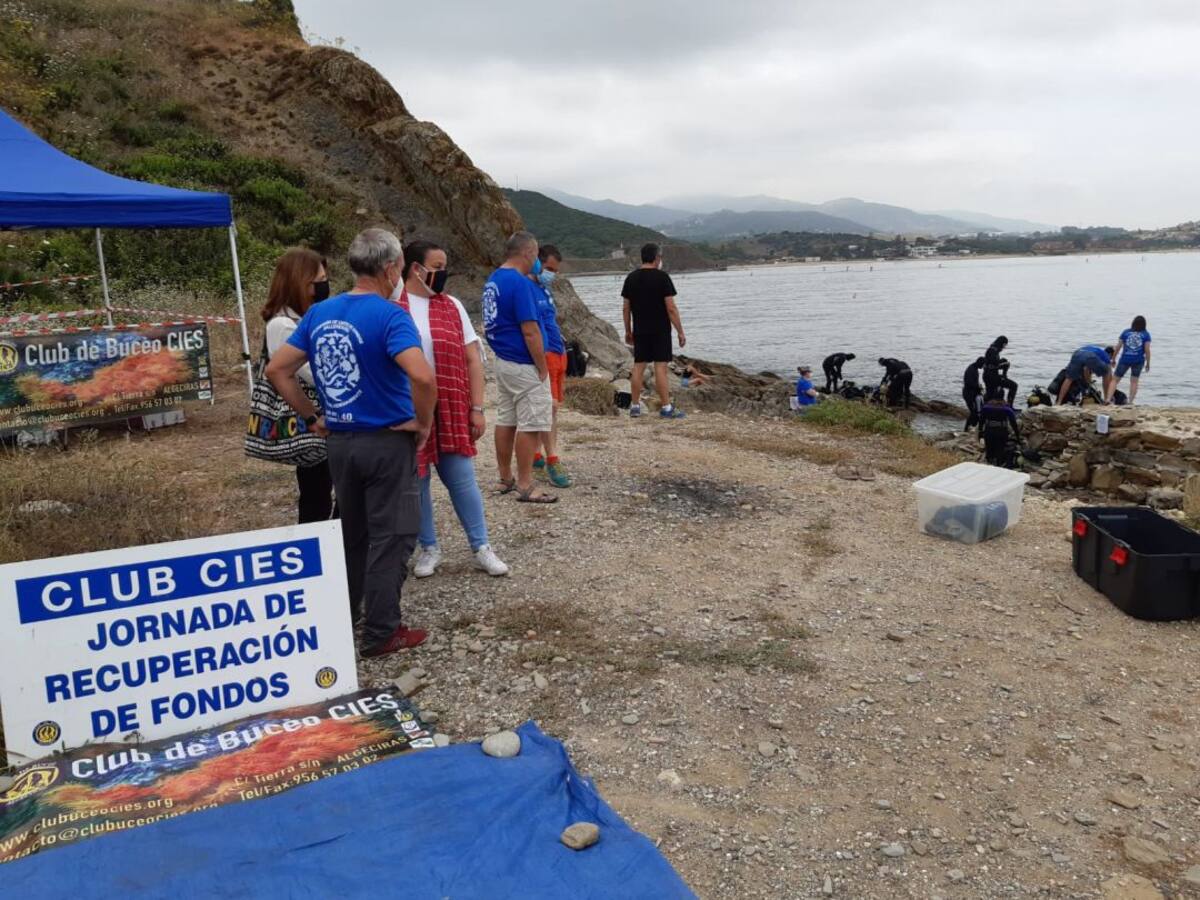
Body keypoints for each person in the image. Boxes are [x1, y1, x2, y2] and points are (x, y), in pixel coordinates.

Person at [266, 228, 436, 658]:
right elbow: (421, 375)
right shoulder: (391, 316)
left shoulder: (320, 313)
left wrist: (312, 416)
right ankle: (381, 632)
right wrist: (423, 422)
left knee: (352, 534)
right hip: (387, 442)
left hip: (340, 443)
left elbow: (277, 369)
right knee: (393, 536)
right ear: (391, 268)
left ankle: (344, 617)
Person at [394, 240, 509, 579]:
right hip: (408, 407)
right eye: (437, 267)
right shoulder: (393, 306)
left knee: (462, 478)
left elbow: (473, 359)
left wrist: (477, 407)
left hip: (451, 406)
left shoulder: (452, 306)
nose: (443, 273)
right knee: (418, 481)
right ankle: (429, 547)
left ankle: (481, 546)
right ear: (415, 268)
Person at [262, 248, 335, 524]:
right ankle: (323, 544)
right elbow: (313, 374)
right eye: (319, 281)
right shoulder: (283, 324)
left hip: (318, 418)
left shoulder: (303, 318)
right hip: (310, 419)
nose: (325, 286)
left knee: (328, 490)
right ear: (299, 282)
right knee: (317, 496)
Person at [483, 231, 557, 503]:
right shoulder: (520, 283)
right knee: (531, 423)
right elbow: (530, 330)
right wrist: (541, 366)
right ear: (528, 253)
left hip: (503, 360)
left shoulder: (494, 279)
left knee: (506, 419)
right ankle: (525, 484)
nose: (537, 261)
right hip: (523, 363)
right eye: (536, 255)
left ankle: (505, 477)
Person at [622, 242, 686, 419]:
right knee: (660, 368)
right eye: (660, 257)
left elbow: (626, 308)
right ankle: (666, 408)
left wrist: (628, 330)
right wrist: (680, 331)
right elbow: (671, 308)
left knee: (638, 367)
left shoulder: (631, 278)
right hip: (660, 330)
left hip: (640, 330)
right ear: (656, 258)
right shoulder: (662, 278)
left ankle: (635, 406)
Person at [530, 245, 571, 488]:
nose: (551, 274)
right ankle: (552, 458)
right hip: (545, 354)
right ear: (537, 263)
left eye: (555, 271)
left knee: (551, 409)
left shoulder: (544, 289)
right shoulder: (527, 289)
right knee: (549, 408)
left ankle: (537, 453)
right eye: (548, 269)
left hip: (558, 352)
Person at [1107, 315, 1151, 404]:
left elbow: (1118, 347)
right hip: (1138, 360)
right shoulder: (1146, 334)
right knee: (1134, 381)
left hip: (1125, 359)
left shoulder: (1126, 332)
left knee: (1115, 380)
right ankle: (1130, 402)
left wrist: (1113, 359)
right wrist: (1148, 363)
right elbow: (1147, 350)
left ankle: (1108, 399)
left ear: (1133, 323)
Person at [978, 390, 1021, 468]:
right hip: (1001, 432)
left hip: (989, 431)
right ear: (1003, 396)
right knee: (1000, 451)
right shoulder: (1006, 408)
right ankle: (998, 464)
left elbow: (981, 421)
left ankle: (989, 464)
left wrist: (980, 432)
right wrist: (1017, 436)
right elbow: (1013, 423)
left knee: (989, 451)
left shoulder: (986, 407)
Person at [982, 336, 1018, 406]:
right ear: (1002, 343)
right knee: (1014, 386)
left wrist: (1002, 362)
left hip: (988, 376)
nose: (1004, 347)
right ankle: (1010, 405)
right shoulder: (993, 350)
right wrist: (1003, 363)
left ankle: (985, 406)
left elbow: (991, 364)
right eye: (1004, 345)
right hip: (991, 377)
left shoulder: (993, 349)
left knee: (990, 393)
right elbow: (993, 364)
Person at [962, 356, 985, 431]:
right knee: (973, 412)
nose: (983, 366)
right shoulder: (971, 370)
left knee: (975, 411)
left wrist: (978, 389)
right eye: (983, 364)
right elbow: (969, 383)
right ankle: (966, 429)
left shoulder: (974, 368)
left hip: (972, 393)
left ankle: (971, 426)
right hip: (968, 394)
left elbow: (974, 382)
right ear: (980, 363)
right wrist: (978, 387)